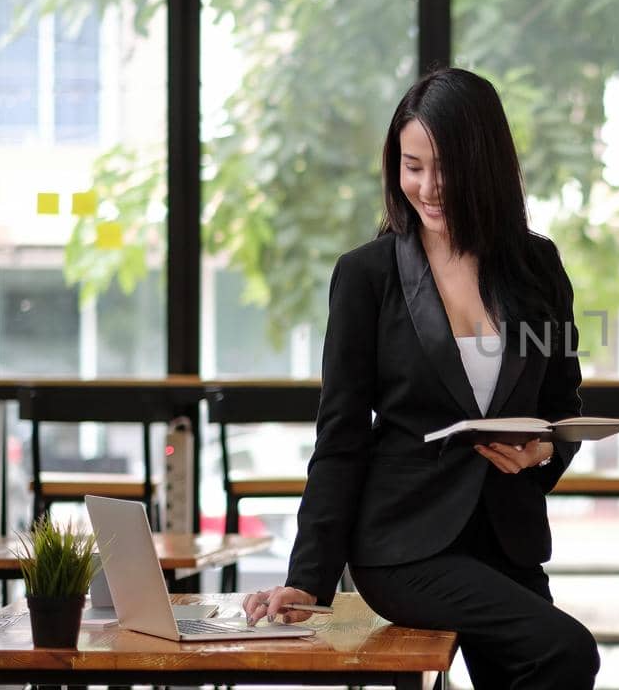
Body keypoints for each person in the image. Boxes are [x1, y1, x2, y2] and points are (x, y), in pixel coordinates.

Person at [242, 67, 600, 689]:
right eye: (412, 167)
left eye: (445, 169)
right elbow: (341, 435)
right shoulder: (366, 276)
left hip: (505, 539)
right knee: (567, 649)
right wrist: (309, 577)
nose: (428, 188)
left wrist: (544, 450)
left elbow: (561, 401)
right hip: (404, 544)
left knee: (542, 666)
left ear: (485, 165)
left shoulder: (538, 266)